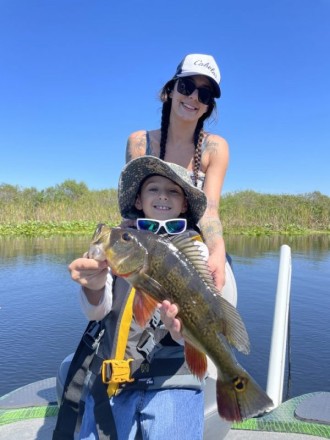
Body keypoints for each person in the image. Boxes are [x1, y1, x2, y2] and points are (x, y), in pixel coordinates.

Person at [59, 156, 212, 440]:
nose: (163, 195)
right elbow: (98, 310)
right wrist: (92, 285)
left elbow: (197, 321)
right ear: (139, 200)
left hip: (174, 380)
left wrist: (181, 332)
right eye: (153, 189)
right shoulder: (119, 243)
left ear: (184, 205)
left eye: (173, 191)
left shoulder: (194, 250)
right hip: (114, 384)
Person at [126, 53, 229, 292]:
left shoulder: (216, 148)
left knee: (223, 294)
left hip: (192, 245)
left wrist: (217, 251)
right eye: (186, 86)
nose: (193, 97)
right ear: (171, 90)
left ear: (207, 106)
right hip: (146, 241)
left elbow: (209, 211)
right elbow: (133, 207)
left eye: (204, 94)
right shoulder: (139, 142)